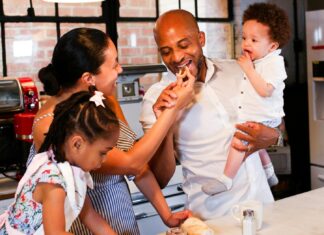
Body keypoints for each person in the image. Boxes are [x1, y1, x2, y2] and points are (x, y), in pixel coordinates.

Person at [28, 28, 194, 234]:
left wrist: (167, 215)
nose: (120, 69)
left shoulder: (105, 101)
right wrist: (173, 110)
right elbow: (130, 163)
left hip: (121, 224)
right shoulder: (52, 126)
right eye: (114, 64)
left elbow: (139, 169)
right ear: (88, 78)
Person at [140, 9, 283, 220]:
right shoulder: (157, 100)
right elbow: (160, 178)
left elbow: (274, 128)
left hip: (264, 209)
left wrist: (272, 137)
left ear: (201, 38)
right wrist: (170, 116)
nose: (177, 57)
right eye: (166, 51)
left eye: (184, 45)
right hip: (211, 218)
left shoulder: (239, 70)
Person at [201, 3, 291, 196]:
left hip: (265, 116)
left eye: (254, 40)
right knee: (255, 146)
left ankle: (226, 179)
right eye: (243, 38)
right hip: (258, 114)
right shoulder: (258, 60)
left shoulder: (274, 62)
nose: (246, 44)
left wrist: (248, 70)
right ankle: (269, 172)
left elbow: (266, 90)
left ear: (272, 46)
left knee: (239, 142)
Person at [0, 90, 119, 234]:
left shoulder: (73, 171)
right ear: (77, 144)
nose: (105, 159)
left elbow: (88, 214)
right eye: (103, 152)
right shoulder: (52, 181)